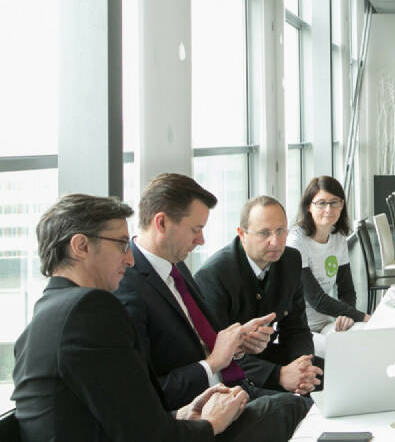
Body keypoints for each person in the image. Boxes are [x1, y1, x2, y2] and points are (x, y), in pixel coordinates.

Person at [12, 193, 303, 441]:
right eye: (121, 244)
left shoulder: (48, 313)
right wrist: (210, 424)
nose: (129, 258)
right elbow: (147, 436)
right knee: (291, 409)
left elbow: (125, 416)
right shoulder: (88, 309)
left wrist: (181, 416)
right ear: (81, 246)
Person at [113, 173, 311, 436]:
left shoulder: (175, 267)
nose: (201, 240)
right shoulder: (127, 288)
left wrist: (238, 344)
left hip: (232, 390)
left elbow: (205, 340)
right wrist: (213, 363)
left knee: (311, 407)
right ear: (161, 223)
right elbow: (149, 393)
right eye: (195, 229)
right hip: (199, 414)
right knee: (296, 409)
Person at [195, 195, 322, 394]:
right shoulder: (213, 275)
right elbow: (217, 354)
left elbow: (296, 328)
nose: (275, 241)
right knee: (292, 405)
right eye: (264, 233)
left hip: (271, 356)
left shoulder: (291, 260)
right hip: (233, 373)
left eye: (281, 231)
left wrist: (303, 366)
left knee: (333, 374)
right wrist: (279, 375)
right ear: (242, 234)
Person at [287, 176, 369, 358]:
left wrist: (347, 316)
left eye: (334, 202)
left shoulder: (338, 238)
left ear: (342, 205)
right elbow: (316, 299)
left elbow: (347, 290)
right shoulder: (296, 242)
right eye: (321, 203)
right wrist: (361, 316)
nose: (329, 209)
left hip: (326, 323)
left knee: (364, 337)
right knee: (341, 352)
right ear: (308, 206)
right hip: (299, 329)